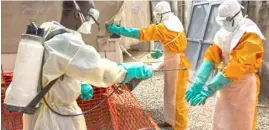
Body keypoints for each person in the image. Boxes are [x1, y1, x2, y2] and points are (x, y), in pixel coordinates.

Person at [22, 1, 153, 130]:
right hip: (56, 119)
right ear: (77, 14)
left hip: (35, 111)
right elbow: (100, 70)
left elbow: (54, 66)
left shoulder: (48, 28)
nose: (91, 23)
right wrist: (125, 71)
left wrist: (76, 84)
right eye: (90, 17)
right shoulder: (67, 42)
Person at [106, 1, 190, 129]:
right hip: (175, 60)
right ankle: (170, 121)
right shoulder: (175, 23)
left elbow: (141, 33)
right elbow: (176, 45)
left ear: (161, 15)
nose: (156, 18)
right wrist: (163, 52)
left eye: (157, 15)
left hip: (178, 64)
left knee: (177, 97)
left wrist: (119, 30)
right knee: (169, 93)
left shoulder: (164, 28)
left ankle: (180, 126)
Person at [186, 0, 265, 129]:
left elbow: (237, 66)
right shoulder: (223, 33)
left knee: (241, 122)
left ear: (236, 17)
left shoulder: (251, 35)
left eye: (226, 20)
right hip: (224, 84)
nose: (223, 24)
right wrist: (199, 82)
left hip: (243, 86)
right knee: (221, 121)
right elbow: (212, 56)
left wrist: (209, 89)